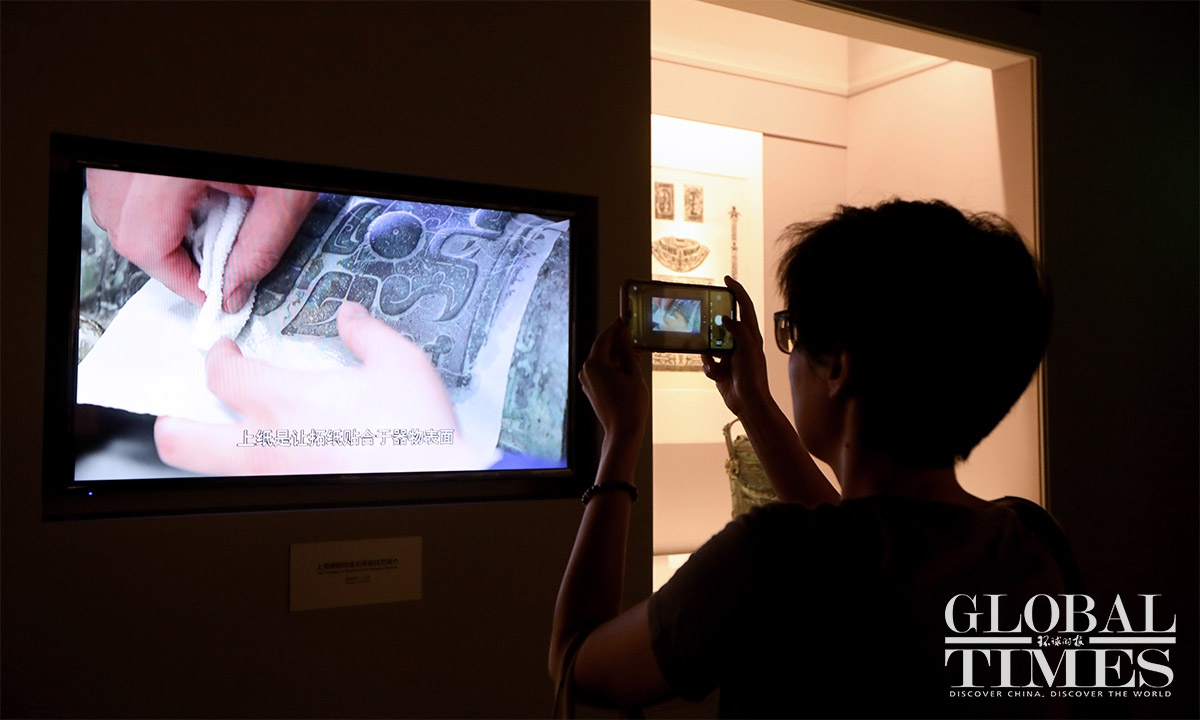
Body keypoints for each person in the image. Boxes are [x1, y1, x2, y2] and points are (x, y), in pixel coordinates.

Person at [551, 199, 1076, 718]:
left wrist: (620, 437)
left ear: (837, 367)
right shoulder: (1030, 542)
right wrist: (752, 403)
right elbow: (854, 543)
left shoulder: (768, 558)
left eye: (793, 334)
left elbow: (576, 662)